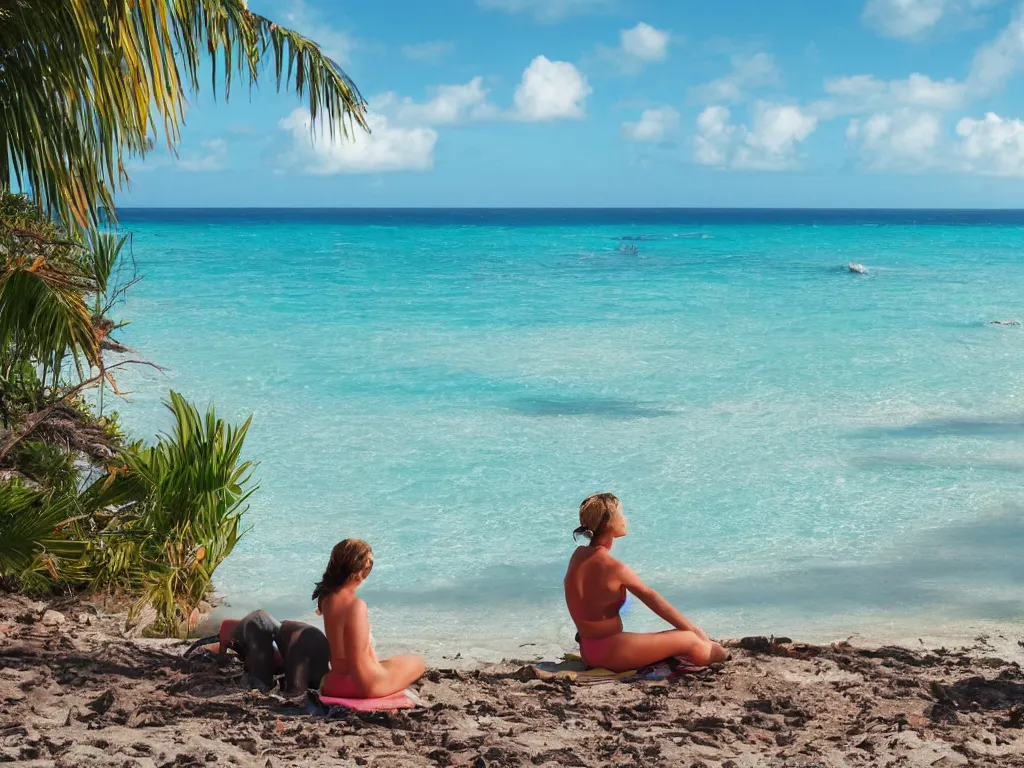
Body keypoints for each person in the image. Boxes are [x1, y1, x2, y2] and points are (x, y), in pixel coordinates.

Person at [564, 492, 727, 673]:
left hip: (588, 649)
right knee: (698, 644)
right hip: (611, 653)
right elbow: (653, 599)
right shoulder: (614, 568)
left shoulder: (578, 556)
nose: (625, 519)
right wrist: (693, 630)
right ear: (609, 523)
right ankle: (714, 649)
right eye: (621, 514)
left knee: (676, 638)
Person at [314, 539, 425, 698]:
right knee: (417, 662)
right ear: (364, 570)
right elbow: (357, 665)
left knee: (391, 663)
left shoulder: (327, 599)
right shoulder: (356, 606)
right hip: (363, 686)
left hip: (333, 682)